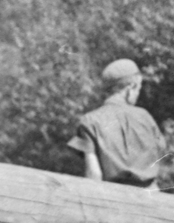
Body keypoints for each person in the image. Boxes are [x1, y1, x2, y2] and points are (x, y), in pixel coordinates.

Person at [68, 59, 166, 190]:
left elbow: (94, 174)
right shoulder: (145, 117)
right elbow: (161, 157)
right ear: (130, 88)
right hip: (151, 200)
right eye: (138, 88)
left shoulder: (90, 121)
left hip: (114, 200)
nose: (137, 95)